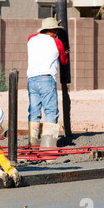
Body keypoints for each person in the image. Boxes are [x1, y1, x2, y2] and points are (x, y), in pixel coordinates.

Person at [27, 17, 69, 148]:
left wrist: (51, 25)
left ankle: (33, 141)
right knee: (51, 111)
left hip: (31, 79)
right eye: (56, 30)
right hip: (47, 78)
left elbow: (37, 35)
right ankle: (48, 144)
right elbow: (64, 61)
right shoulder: (56, 42)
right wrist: (66, 53)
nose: (57, 32)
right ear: (52, 30)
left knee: (34, 111)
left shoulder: (31, 39)